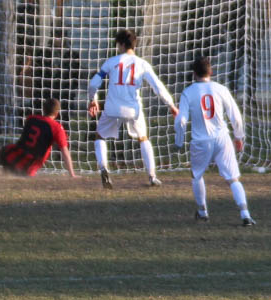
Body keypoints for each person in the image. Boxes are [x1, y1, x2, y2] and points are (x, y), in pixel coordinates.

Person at [87, 29, 179, 188]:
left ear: (122, 44)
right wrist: (171, 104)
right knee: (143, 138)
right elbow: (157, 86)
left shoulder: (111, 62)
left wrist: (93, 99)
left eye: (118, 45)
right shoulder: (142, 63)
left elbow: (94, 83)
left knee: (100, 136)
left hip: (112, 108)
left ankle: (104, 169)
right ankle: (152, 176)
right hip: (133, 109)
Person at [174, 56, 255, 226]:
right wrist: (238, 136)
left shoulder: (188, 92)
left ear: (194, 73)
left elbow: (181, 120)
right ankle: (245, 214)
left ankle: (203, 212)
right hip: (222, 138)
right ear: (210, 72)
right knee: (233, 178)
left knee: (196, 175)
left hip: (200, 141)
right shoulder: (221, 89)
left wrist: (179, 141)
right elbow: (235, 115)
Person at [0, 98, 78, 178]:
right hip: (28, 167)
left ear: (43, 109)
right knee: (11, 174)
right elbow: (65, 152)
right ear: (57, 113)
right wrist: (72, 174)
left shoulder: (31, 118)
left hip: (11, 155)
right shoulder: (57, 128)